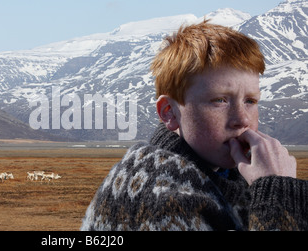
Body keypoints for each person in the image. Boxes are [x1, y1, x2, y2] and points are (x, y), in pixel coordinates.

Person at [81, 20, 307, 231]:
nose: (243, 119)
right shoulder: (162, 199)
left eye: (250, 101)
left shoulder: (227, 174)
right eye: (219, 100)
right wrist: (278, 192)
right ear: (169, 113)